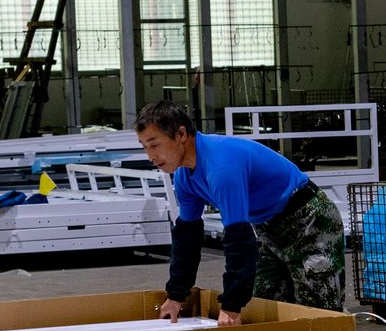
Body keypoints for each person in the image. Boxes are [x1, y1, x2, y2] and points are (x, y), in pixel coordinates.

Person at [133, 101, 345, 317]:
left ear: (181, 135)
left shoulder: (221, 167)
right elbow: (187, 237)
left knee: (319, 312)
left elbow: (238, 238)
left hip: (308, 219)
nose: (150, 156)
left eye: (154, 145)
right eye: (144, 147)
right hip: (269, 226)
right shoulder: (184, 177)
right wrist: (176, 295)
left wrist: (231, 306)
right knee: (266, 307)